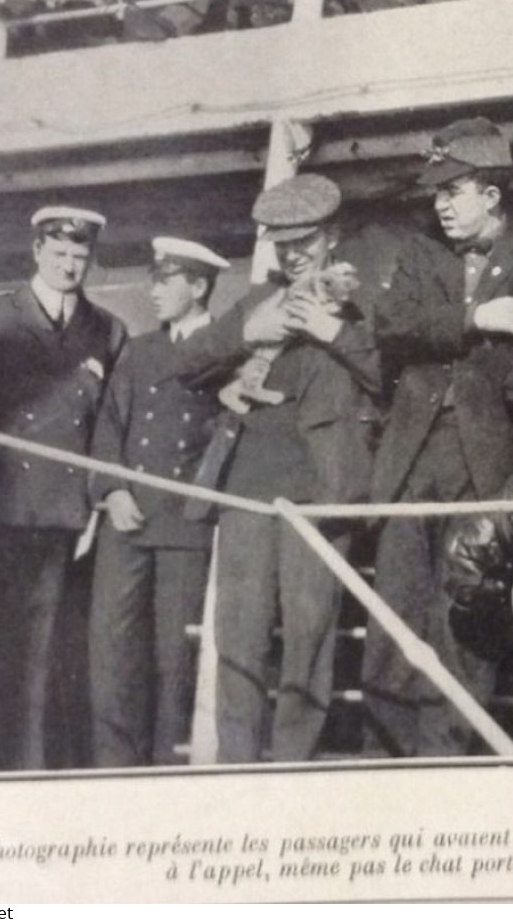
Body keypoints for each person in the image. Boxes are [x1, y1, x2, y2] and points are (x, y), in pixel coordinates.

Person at [365, 118, 513, 757]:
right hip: (411, 462)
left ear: (491, 195)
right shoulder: (418, 255)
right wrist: (473, 318)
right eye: (436, 194)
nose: (441, 205)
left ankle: (446, 762)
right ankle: (382, 760)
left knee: (465, 618)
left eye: (453, 192)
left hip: (487, 465)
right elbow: (392, 325)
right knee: (392, 618)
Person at [174, 174, 381, 763]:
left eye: (305, 241)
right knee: (238, 636)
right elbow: (187, 360)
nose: (293, 254)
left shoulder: (363, 300)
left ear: (333, 235)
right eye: (281, 242)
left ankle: (294, 763)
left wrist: (332, 332)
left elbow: (389, 375)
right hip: (248, 487)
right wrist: (247, 334)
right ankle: (238, 763)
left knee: (311, 637)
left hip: (322, 488)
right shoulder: (256, 297)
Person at [0, 206, 127, 771]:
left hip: (63, 520)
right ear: (37, 252)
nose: (70, 265)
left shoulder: (107, 329)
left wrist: (95, 501)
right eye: (59, 254)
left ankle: (32, 768)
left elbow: (107, 427)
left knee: (47, 653)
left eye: (80, 256)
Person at [86, 237, 229, 766]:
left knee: (176, 657)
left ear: (198, 286)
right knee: (111, 652)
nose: (154, 291)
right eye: (153, 279)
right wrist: (112, 489)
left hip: (186, 526)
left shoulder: (223, 348)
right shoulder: (140, 349)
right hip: (125, 520)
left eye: (166, 281)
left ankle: (171, 767)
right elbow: (110, 424)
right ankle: (115, 768)